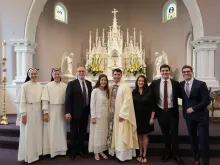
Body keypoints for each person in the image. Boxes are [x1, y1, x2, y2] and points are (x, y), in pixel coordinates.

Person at [150, 64, 184, 165]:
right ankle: (167, 153)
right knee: (165, 134)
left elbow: (182, 95)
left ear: (170, 72)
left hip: (172, 112)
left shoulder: (175, 83)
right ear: (160, 72)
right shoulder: (155, 83)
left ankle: (176, 155)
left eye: (166, 71)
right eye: (163, 71)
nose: (165, 72)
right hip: (161, 113)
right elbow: (150, 96)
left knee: (174, 134)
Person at [180, 65, 210, 165]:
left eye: (188, 71)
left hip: (201, 116)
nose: (186, 73)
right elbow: (184, 99)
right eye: (184, 72)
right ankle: (196, 159)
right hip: (189, 117)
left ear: (192, 72)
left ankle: (205, 162)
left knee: (203, 141)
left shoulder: (201, 84)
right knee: (192, 140)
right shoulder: (181, 84)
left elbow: (206, 100)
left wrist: (193, 108)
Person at [107, 68, 138, 162]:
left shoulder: (125, 86)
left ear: (121, 75)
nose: (116, 76)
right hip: (112, 115)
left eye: (118, 74)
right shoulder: (111, 85)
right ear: (113, 75)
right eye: (115, 74)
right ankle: (114, 152)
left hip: (121, 116)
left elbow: (128, 102)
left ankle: (123, 156)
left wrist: (123, 114)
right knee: (114, 134)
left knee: (122, 134)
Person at [65, 66, 92, 160]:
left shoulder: (89, 84)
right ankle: (73, 151)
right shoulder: (72, 83)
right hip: (74, 112)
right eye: (79, 71)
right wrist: (67, 112)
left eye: (83, 71)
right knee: (73, 132)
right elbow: (67, 99)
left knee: (83, 132)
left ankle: (81, 150)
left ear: (86, 72)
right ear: (76, 73)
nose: (81, 73)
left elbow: (90, 98)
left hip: (85, 112)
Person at [17, 68, 43, 163]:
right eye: (31, 74)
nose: (33, 75)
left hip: (37, 111)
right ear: (29, 75)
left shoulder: (40, 85)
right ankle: (28, 155)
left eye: (35, 74)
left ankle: (36, 153)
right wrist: (23, 114)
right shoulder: (25, 86)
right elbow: (22, 101)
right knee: (28, 133)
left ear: (37, 74)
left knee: (36, 133)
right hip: (28, 110)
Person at [42, 69, 67, 158]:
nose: (56, 76)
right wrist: (45, 112)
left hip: (61, 109)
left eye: (58, 74)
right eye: (55, 74)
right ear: (52, 75)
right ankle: (52, 150)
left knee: (61, 130)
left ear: (60, 75)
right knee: (52, 130)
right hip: (51, 109)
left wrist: (67, 111)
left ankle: (61, 150)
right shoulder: (48, 86)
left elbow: (67, 100)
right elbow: (44, 100)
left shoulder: (64, 86)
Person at [132, 75, 155, 163]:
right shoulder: (134, 92)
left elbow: (153, 106)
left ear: (145, 82)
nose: (140, 82)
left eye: (142, 81)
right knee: (139, 135)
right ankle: (140, 153)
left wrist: (152, 118)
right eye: (139, 81)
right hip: (137, 117)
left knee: (145, 135)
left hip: (147, 117)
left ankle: (145, 154)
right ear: (137, 82)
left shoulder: (149, 92)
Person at [88, 74, 109, 160]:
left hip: (105, 116)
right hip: (97, 116)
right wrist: (93, 116)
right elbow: (92, 104)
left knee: (103, 134)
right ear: (99, 81)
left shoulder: (107, 91)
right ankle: (96, 152)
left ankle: (101, 150)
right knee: (97, 134)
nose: (103, 82)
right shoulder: (95, 91)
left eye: (105, 80)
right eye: (102, 80)